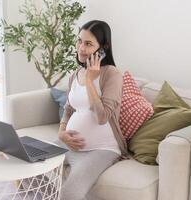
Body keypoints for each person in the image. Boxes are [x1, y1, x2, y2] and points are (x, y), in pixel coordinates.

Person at [58, 20, 129, 200]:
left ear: (103, 48)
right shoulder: (75, 75)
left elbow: (102, 117)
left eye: (88, 44)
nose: (81, 48)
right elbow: (68, 110)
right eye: (79, 41)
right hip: (69, 145)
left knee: (69, 194)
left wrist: (90, 81)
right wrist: (61, 133)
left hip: (102, 149)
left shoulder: (111, 74)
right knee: (31, 162)